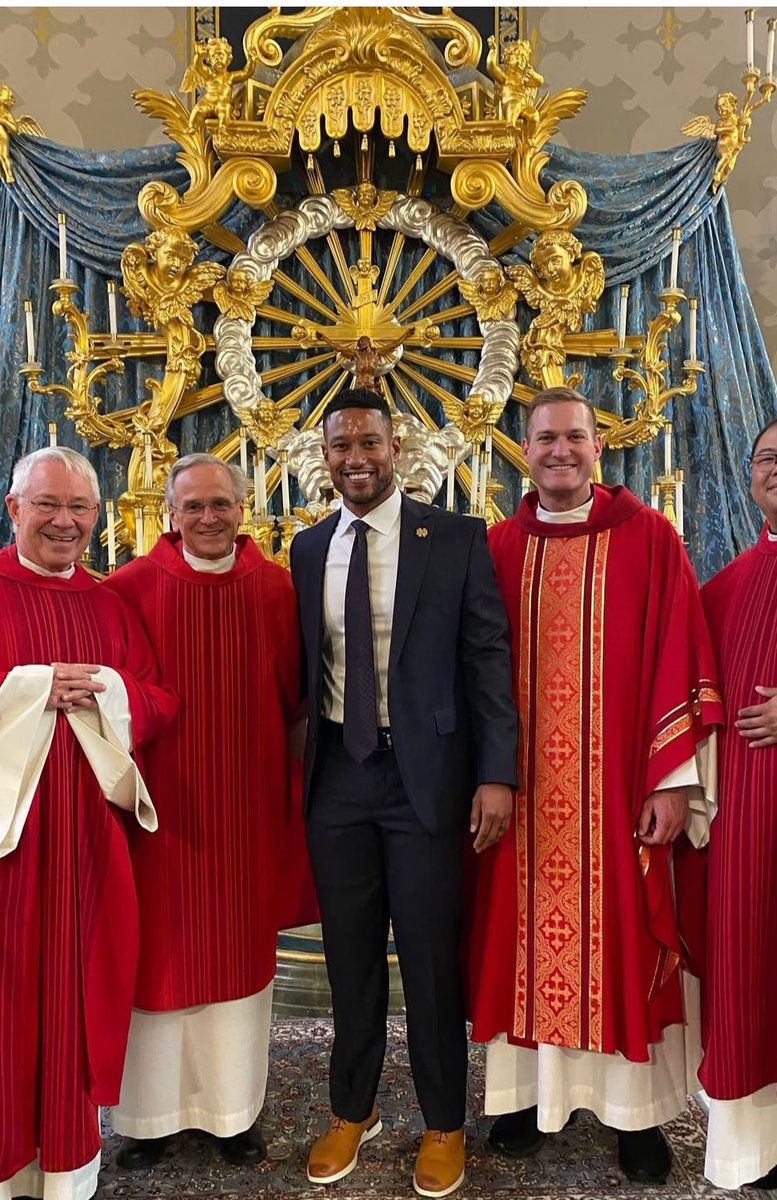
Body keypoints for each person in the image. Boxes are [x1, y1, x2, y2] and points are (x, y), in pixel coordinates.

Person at [468, 387, 723, 1185]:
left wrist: (674, 782)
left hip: (617, 797)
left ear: (597, 447)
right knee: (513, 938)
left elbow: (680, 653)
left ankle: (633, 1117)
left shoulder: (648, 539)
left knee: (620, 935)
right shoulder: (498, 547)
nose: (559, 451)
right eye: (544, 439)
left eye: (573, 437)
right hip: (522, 802)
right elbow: (472, 672)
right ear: (525, 450)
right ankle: (522, 1101)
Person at [290, 388, 519, 1199]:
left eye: (369, 443)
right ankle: (351, 1111)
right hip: (340, 781)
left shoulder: (454, 538)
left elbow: (488, 659)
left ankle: (444, 1123)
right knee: (349, 959)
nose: (355, 458)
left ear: (397, 448)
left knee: (427, 959)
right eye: (340, 445)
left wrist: (497, 773)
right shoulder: (308, 547)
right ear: (326, 457)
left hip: (428, 779)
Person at [104, 453, 313, 1168]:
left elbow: (299, 703)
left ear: (243, 507)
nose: (207, 518)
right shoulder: (127, 588)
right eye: (192, 506)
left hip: (246, 812)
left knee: (239, 966)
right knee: (156, 964)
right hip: (160, 813)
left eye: (220, 503)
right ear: (169, 513)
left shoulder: (280, 590)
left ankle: (233, 1115)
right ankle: (149, 1118)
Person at [0, 446, 176, 1200]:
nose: (65, 522)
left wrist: (108, 687)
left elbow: (160, 701)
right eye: (48, 505)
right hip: (11, 847)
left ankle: (66, 1169)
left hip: (88, 848)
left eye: (80, 509)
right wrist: (29, 688)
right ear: (14, 509)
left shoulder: (108, 604)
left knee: (76, 992)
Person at [700, 417, 777, 1190]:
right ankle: (753, 1147)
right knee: (750, 970)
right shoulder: (723, 587)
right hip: (748, 827)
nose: (775, 468)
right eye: (765, 458)